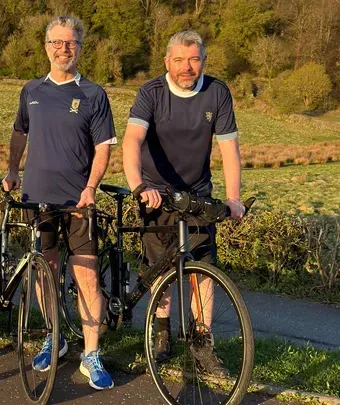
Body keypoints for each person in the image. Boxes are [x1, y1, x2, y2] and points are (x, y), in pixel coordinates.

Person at [2, 15, 116, 390]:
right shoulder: (30, 89)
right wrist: (12, 170)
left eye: (71, 43)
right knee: (45, 273)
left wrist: (92, 188)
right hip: (38, 198)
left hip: (78, 201)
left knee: (86, 276)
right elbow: (20, 131)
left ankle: (91, 353)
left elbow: (103, 147)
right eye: (57, 42)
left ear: (80, 48)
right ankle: (55, 337)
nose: (64, 49)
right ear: (46, 46)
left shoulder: (94, 95)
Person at [122, 30, 244, 376]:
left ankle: (202, 343)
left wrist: (233, 198)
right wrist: (139, 185)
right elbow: (132, 141)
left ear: (203, 61)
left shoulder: (217, 92)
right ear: (167, 62)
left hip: (197, 194)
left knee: (203, 273)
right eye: (179, 60)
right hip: (156, 193)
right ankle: (163, 334)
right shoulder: (151, 92)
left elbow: (229, 151)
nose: (187, 67)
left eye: (194, 59)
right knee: (161, 269)